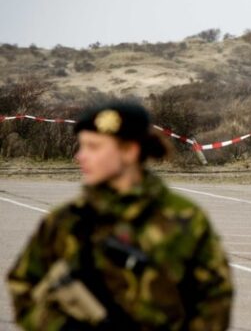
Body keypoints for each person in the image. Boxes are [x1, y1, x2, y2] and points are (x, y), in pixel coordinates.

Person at [6, 101, 233, 330]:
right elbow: (23, 286)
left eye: (94, 147)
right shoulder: (66, 220)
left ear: (129, 151)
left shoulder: (184, 219)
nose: (80, 157)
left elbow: (216, 300)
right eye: (82, 146)